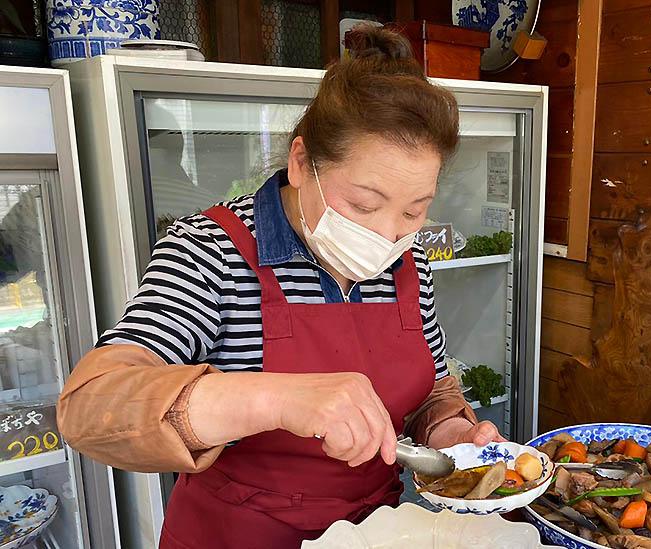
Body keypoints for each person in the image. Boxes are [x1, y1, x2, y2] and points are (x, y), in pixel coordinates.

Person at [56, 26, 501, 548]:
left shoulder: (407, 259)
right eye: (362, 204)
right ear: (299, 162)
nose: (387, 233)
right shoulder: (212, 251)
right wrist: (275, 397)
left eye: (414, 209)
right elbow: (89, 409)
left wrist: (450, 433)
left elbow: (433, 388)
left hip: (370, 534)